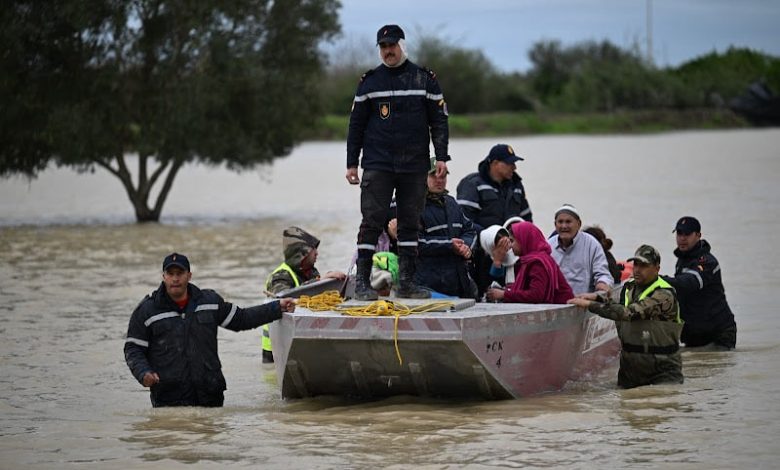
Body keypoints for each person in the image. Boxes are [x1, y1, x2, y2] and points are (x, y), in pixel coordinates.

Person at [346, 24, 450, 301]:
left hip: (414, 165)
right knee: (372, 221)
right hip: (378, 163)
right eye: (383, 47)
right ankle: (362, 283)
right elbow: (355, 125)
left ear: (402, 45)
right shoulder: (370, 82)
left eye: (391, 45)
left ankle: (406, 282)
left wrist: (441, 156)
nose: (387, 51)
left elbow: (439, 121)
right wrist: (351, 163)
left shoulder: (424, 79)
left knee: (410, 222)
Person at [124, 253, 296, 407]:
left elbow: (242, 319)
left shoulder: (209, 302)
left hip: (210, 398)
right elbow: (133, 348)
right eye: (170, 274)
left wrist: (277, 308)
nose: (175, 278)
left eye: (180, 273)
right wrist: (143, 373)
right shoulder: (147, 311)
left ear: (189, 276)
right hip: (168, 401)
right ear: (164, 277)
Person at [568, 245, 684, 389]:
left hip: (662, 372)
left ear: (657, 269)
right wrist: (597, 298)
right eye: (636, 264)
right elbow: (616, 304)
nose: (637, 269)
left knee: (661, 401)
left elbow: (628, 313)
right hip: (630, 371)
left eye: (644, 265)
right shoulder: (629, 286)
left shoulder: (664, 294)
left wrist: (590, 305)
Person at [264, 226, 346, 362]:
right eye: (313, 249)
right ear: (302, 253)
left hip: (301, 342)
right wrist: (320, 280)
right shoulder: (280, 276)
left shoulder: (310, 272)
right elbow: (283, 298)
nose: (317, 253)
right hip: (277, 352)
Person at [663, 216, 737, 349]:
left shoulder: (707, 262)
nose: (682, 238)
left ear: (698, 235)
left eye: (687, 234)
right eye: (679, 233)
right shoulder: (682, 260)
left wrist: (656, 279)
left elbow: (688, 284)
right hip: (695, 335)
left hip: (718, 335)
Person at [413, 158, 478, 298]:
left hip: (458, 282)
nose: (439, 180)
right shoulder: (414, 206)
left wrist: (466, 247)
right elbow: (415, 243)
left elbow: (470, 230)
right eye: (433, 175)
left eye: (443, 176)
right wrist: (449, 245)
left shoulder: (452, 203)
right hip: (429, 285)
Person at [486, 222, 574, 304]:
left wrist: (504, 294)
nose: (510, 246)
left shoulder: (537, 263)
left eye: (512, 241)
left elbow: (536, 295)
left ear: (523, 240)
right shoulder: (530, 260)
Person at [456, 143, 533, 230]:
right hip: (482, 237)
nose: (514, 167)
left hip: (512, 238)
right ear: (495, 163)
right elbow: (464, 222)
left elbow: (527, 218)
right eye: (510, 163)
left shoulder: (516, 185)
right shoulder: (472, 184)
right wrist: (492, 236)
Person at [548, 204, 613, 295]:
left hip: (583, 300)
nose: (564, 226)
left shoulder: (591, 244)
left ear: (579, 224)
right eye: (560, 222)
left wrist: (602, 283)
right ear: (555, 224)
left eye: (568, 222)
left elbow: (603, 274)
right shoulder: (549, 245)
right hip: (555, 301)